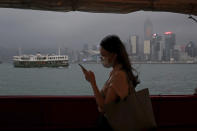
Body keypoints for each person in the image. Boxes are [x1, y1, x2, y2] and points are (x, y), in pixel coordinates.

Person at [81, 35, 140, 130]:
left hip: (112, 126)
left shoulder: (119, 76)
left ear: (114, 55)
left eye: (104, 56)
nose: (101, 59)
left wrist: (93, 83)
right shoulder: (115, 72)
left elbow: (105, 109)